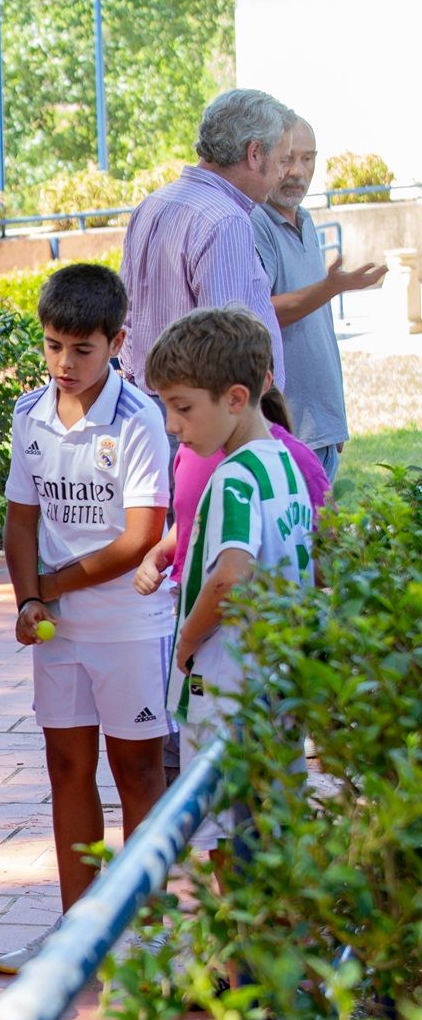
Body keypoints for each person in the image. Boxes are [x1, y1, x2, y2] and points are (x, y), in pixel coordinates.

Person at [4, 264, 172, 939]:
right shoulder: (29, 413)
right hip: (60, 631)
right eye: (53, 346)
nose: (64, 364)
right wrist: (28, 600)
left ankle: (148, 935)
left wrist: (51, 587)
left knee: (138, 772)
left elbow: (141, 538)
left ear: (117, 342)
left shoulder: (139, 418)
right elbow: (20, 521)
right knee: (67, 768)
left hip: (131, 625)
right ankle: (78, 931)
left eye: (82, 349)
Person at [147, 305, 314, 874]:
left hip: (229, 685)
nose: (173, 425)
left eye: (183, 407)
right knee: (272, 828)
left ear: (236, 398)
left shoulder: (235, 477)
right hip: (275, 679)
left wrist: (188, 640)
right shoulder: (284, 462)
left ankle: (243, 936)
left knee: (234, 840)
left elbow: (230, 576)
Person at [121, 89, 295, 392]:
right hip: (206, 410)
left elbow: (125, 315)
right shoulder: (226, 219)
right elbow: (225, 354)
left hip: (154, 400)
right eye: (282, 160)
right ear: (254, 153)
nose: (283, 173)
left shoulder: (153, 203)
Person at [252, 115, 387, 483]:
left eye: (308, 158)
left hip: (321, 428)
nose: (297, 171)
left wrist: (333, 416)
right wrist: (331, 287)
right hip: (288, 431)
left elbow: (318, 329)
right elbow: (260, 314)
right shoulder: (255, 222)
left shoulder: (306, 220)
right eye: (287, 158)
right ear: (265, 157)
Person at [134, 376, 330, 601]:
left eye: (184, 407)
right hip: (189, 593)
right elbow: (193, 521)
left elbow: (329, 555)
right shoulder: (191, 448)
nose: (170, 425)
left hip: (254, 610)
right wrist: (158, 554)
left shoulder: (293, 459)